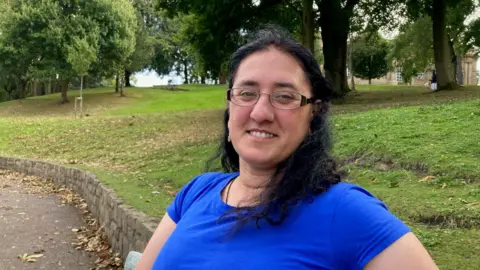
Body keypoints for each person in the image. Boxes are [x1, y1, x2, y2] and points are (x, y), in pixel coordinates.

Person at [135, 27, 439, 270]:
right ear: (230, 107)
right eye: (247, 93)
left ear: (313, 115)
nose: (260, 112)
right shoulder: (195, 193)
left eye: (284, 96)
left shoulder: (344, 211)